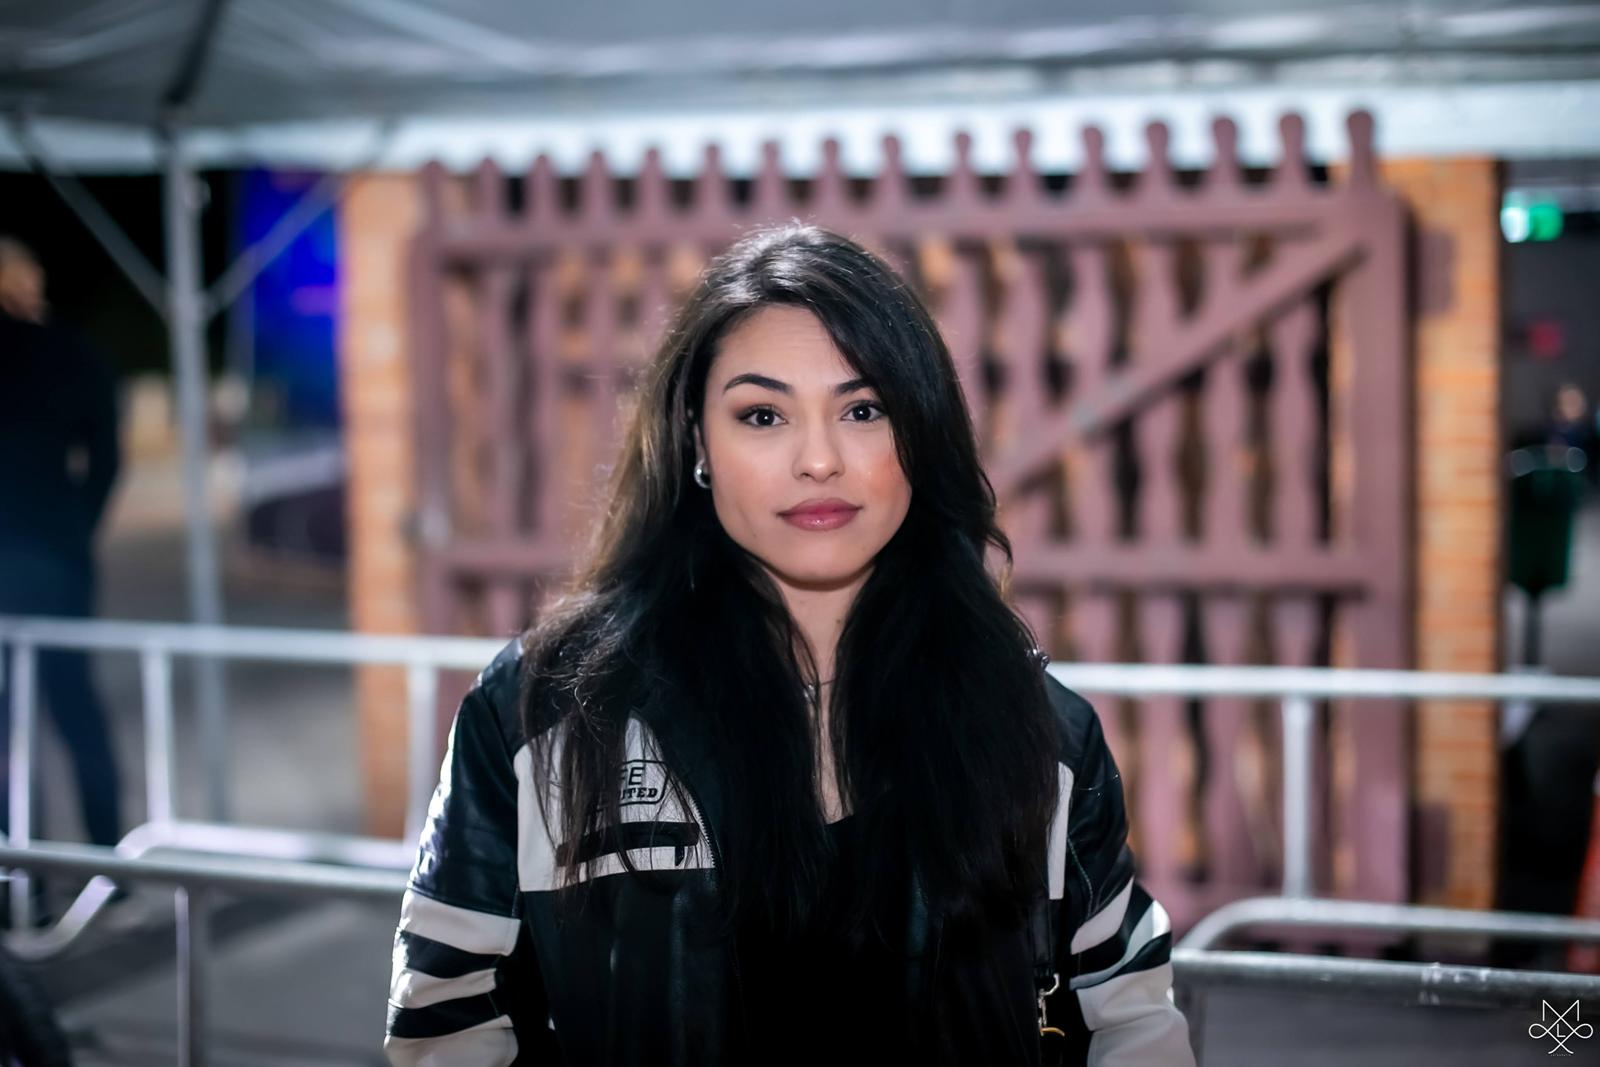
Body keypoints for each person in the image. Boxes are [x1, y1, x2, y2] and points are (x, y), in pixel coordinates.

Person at [384, 225, 1193, 1065]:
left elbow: (1129, 1019)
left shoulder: (1040, 733)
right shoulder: (542, 711)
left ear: (919, 434)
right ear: (698, 442)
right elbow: (446, 1015)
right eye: (763, 415)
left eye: (863, 410)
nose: (818, 460)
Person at [0, 235, 124, 852]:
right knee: (75, 707)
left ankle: (17, 875)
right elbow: (107, 455)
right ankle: (111, 864)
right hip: (58, 553)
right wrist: (77, 523)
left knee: (5, 725)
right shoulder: (69, 350)